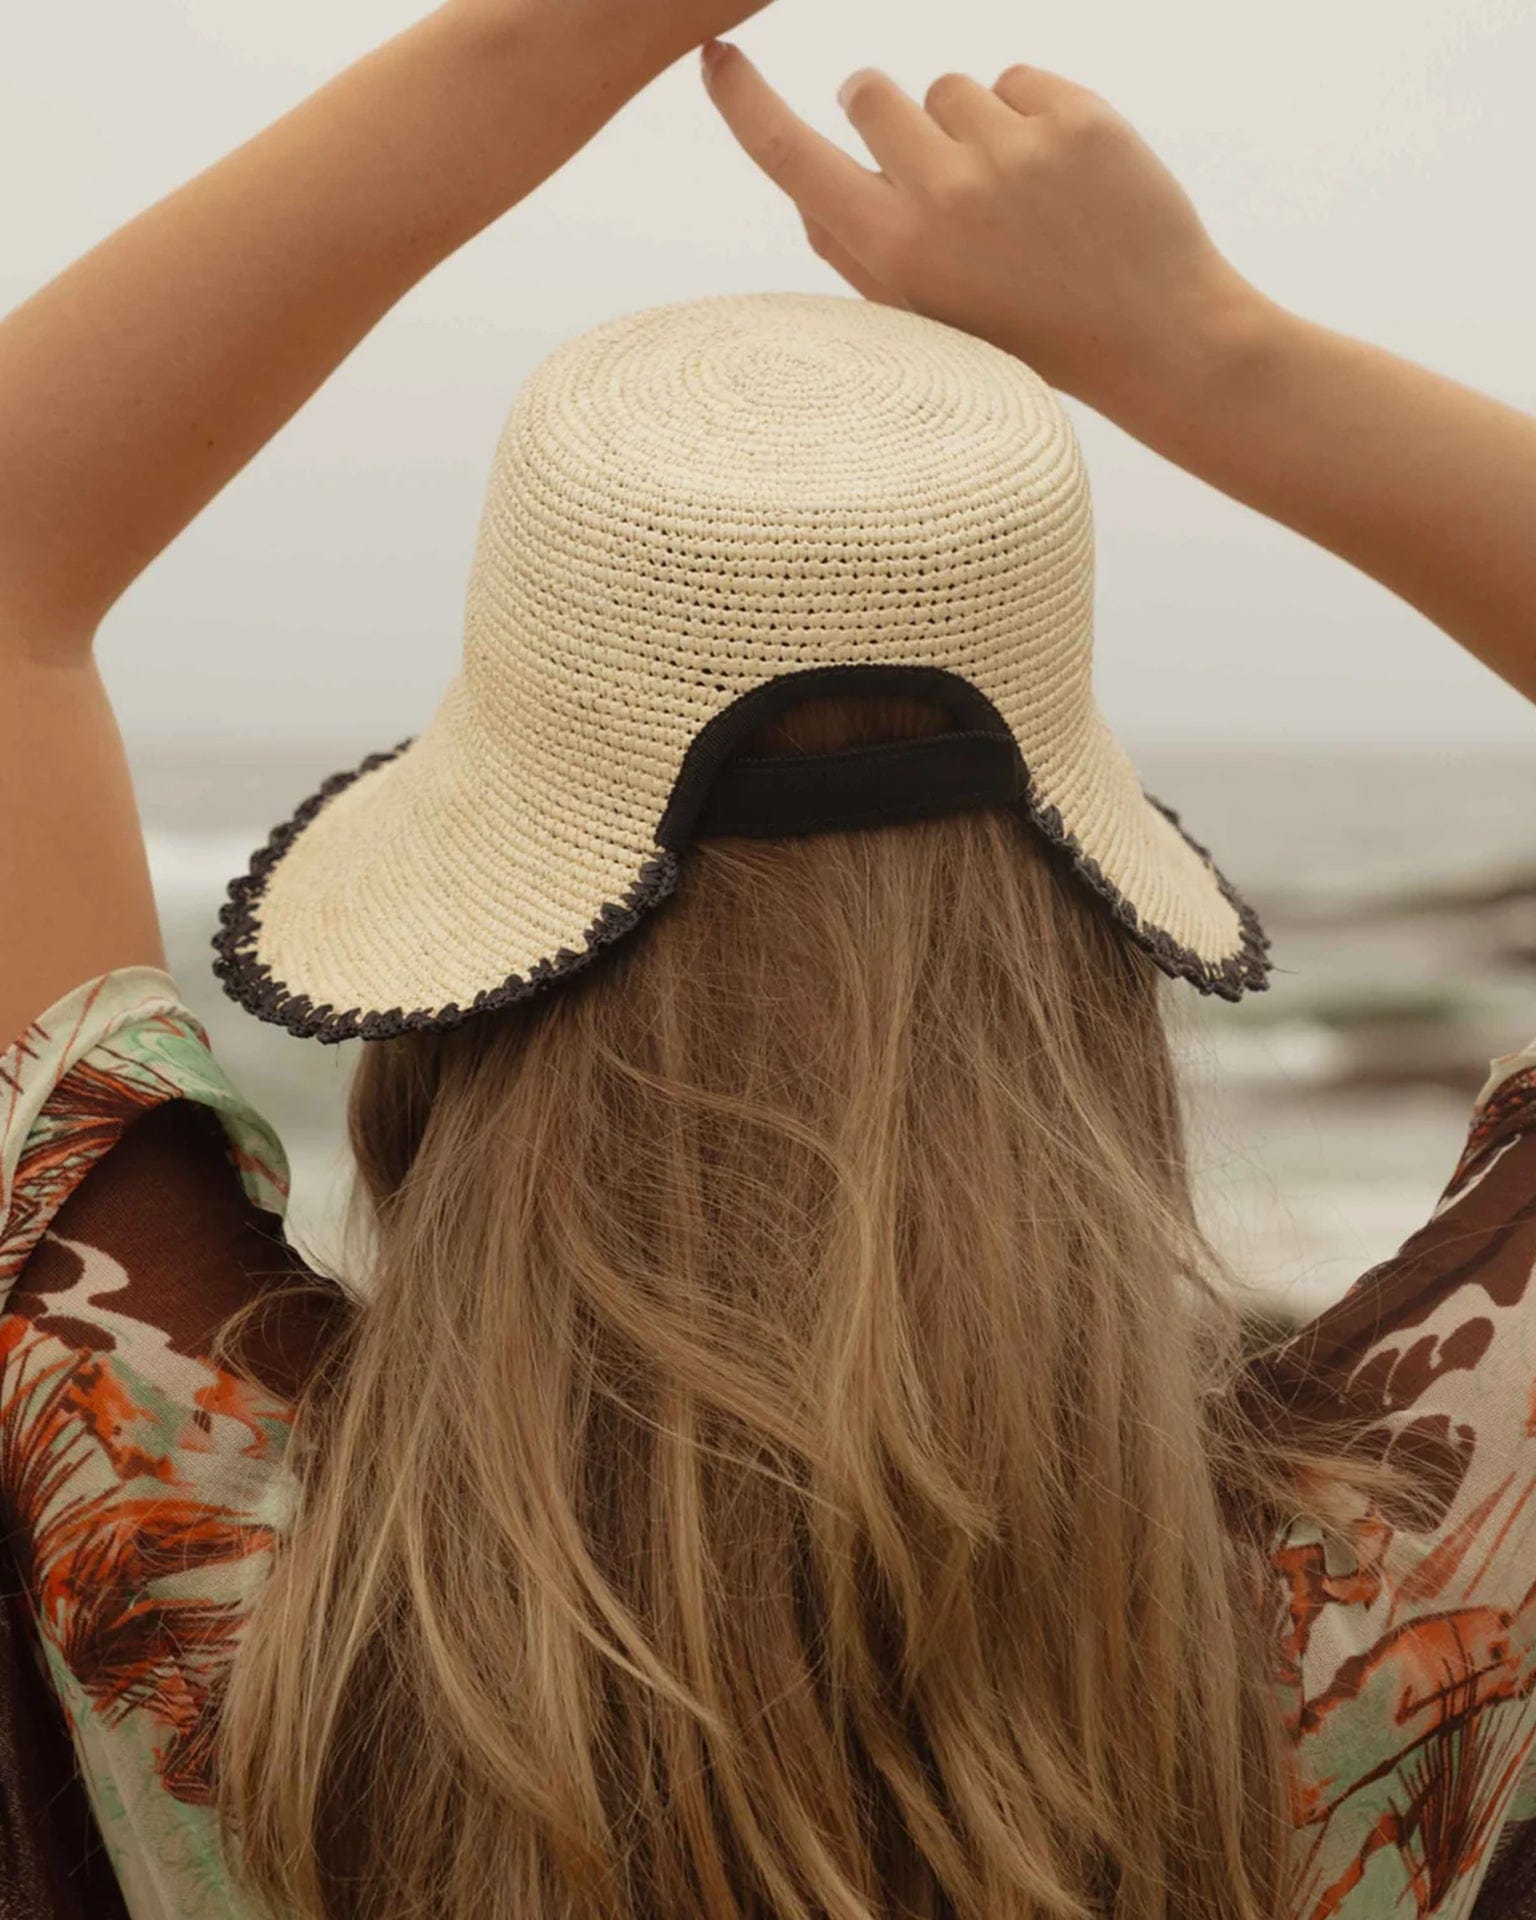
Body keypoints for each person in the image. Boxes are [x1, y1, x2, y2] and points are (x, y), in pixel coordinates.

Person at [0, 1, 1533, 1916]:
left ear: (472, 972)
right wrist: (1201, 346)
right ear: (1081, 954)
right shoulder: (1390, 1581)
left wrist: (546, 44)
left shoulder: (191, 1520)